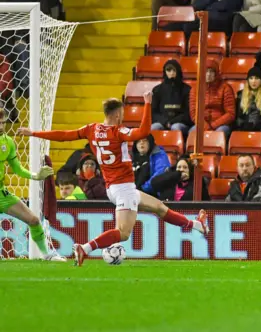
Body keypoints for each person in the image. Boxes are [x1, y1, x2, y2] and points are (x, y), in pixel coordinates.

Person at [19, 93, 209, 267]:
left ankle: (197, 226)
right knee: (123, 233)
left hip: (115, 188)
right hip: (123, 188)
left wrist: (34, 133)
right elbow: (143, 132)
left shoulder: (91, 129)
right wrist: (148, 103)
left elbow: (64, 136)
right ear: (118, 115)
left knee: (159, 207)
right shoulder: (119, 132)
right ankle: (84, 248)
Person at [0, 109, 54, 258]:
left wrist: (36, 176)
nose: (0, 127)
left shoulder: (7, 142)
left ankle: (46, 255)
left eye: (2, 123)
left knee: (34, 220)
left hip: (1, 193)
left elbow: (17, 168)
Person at [189, 59, 235, 137]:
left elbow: (230, 113)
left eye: (211, 72)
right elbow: (194, 113)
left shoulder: (225, 88)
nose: (208, 74)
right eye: (206, 71)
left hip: (221, 125)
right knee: (192, 133)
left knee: (220, 133)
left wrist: (214, 125)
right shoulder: (195, 89)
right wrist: (205, 126)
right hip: (202, 124)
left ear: (216, 73)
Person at [150, 60, 192, 138]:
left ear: (178, 71)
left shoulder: (187, 89)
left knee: (175, 127)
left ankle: (178, 148)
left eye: (174, 70)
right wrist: (165, 122)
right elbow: (153, 112)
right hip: (162, 122)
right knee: (153, 128)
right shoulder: (157, 90)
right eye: (168, 70)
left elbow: (188, 113)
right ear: (165, 72)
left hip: (180, 123)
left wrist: (172, 122)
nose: (171, 73)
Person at [235, 67, 261, 132]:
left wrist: (260, 124)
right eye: (251, 78)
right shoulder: (241, 94)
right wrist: (244, 124)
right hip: (245, 128)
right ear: (248, 80)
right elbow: (237, 117)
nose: (253, 81)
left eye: (257, 78)